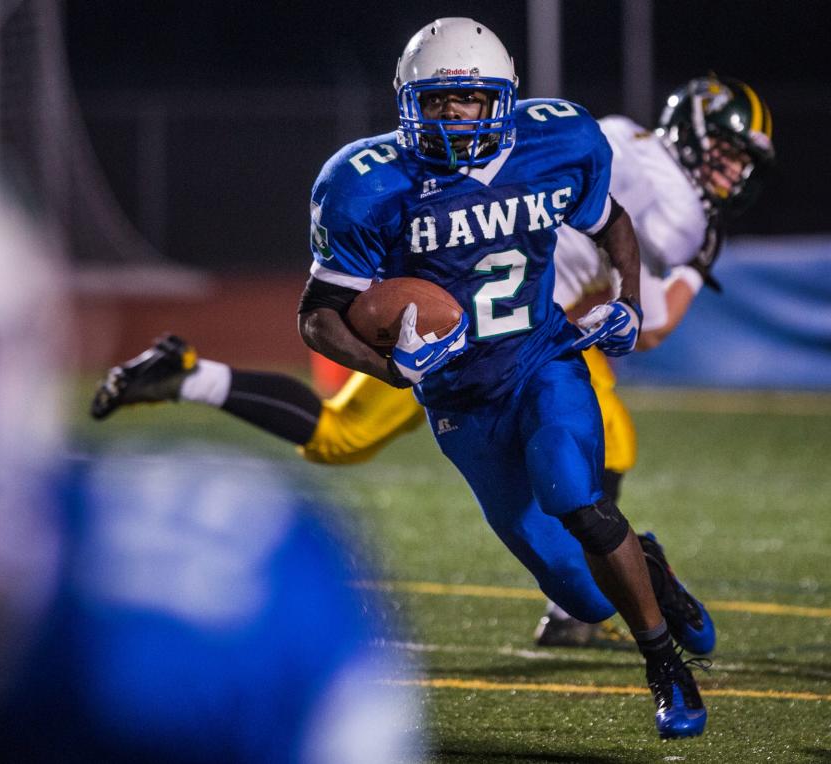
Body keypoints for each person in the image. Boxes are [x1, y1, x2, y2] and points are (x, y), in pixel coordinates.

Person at [96, 19, 727, 739]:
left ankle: (663, 665)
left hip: (542, 358)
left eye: (474, 102)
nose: (458, 120)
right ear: (406, 103)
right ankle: (650, 568)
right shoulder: (365, 182)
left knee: (573, 489)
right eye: (439, 103)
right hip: (459, 399)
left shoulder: (558, 140)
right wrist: (391, 368)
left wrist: (629, 298)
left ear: (507, 99)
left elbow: (611, 220)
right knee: (582, 598)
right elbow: (319, 315)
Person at [0, 86, 421, 763]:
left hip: (513, 360)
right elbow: (325, 307)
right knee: (345, 434)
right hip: (440, 357)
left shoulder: (184, 620)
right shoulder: (371, 180)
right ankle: (190, 375)